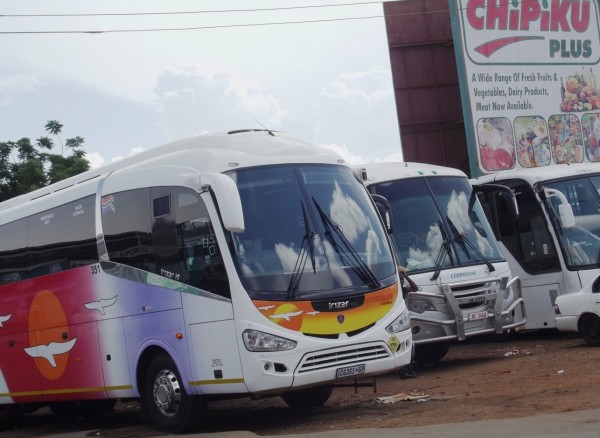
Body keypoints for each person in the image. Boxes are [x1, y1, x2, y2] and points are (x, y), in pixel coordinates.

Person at [398, 267, 418, 379]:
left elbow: (415, 288)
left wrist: (406, 276)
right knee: (405, 345)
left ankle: (407, 368)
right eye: (399, 279)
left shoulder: (403, 289)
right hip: (399, 320)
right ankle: (405, 369)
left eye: (402, 279)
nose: (401, 281)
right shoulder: (396, 290)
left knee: (410, 345)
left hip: (404, 318)